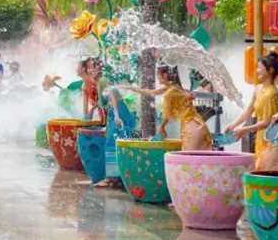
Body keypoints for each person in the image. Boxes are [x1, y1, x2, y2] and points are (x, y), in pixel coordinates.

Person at [121, 65, 211, 151]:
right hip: (198, 124)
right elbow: (152, 92)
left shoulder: (170, 93)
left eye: (158, 74)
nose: (157, 76)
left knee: (189, 162)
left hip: (191, 128)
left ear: (165, 75)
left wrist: (162, 126)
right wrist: (131, 88)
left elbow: (168, 113)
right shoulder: (174, 87)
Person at [225, 52, 278, 171]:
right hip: (261, 138)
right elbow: (248, 112)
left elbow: (266, 122)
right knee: (260, 170)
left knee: (269, 175)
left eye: (259, 68)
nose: (257, 71)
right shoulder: (258, 89)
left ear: (271, 70)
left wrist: (243, 130)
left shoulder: (272, 93)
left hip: (273, 140)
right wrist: (233, 125)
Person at [89, 59, 136, 188]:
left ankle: (111, 179)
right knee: (118, 143)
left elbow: (113, 95)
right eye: (88, 68)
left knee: (111, 143)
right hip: (119, 111)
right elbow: (103, 101)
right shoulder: (102, 80)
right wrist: (93, 109)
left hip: (118, 111)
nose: (90, 71)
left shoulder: (103, 80)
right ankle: (119, 177)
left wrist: (116, 114)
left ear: (99, 68)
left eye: (92, 67)